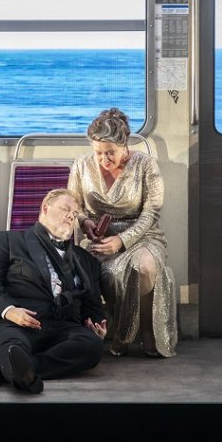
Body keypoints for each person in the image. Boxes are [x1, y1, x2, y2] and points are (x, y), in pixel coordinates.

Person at [0, 188, 108, 394]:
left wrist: (96, 325)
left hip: (61, 328)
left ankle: (19, 369)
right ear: (45, 208)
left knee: (91, 346)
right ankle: (18, 365)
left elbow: (92, 305)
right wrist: (10, 310)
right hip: (13, 322)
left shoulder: (85, 259)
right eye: (66, 209)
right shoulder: (9, 241)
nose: (70, 217)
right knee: (10, 343)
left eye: (74, 215)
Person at [69, 107, 178, 357]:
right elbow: (74, 207)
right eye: (98, 153)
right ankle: (124, 331)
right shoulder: (81, 165)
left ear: (124, 144)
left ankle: (133, 333)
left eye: (111, 153)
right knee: (94, 268)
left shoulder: (146, 165)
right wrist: (86, 224)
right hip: (98, 239)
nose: (104, 159)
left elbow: (151, 214)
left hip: (142, 236)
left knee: (146, 267)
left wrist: (121, 240)